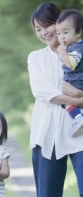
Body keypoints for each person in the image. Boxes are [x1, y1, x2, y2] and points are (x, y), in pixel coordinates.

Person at [27, 2, 83, 197]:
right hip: (46, 133)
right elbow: (43, 92)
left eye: (47, 25)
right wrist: (80, 100)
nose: (44, 32)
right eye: (38, 29)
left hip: (79, 132)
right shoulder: (36, 58)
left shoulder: (79, 51)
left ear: (60, 24)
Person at [56, 9, 83, 137]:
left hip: (77, 83)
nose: (61, 37)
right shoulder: (73, 47)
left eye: (65, 32)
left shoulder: (78, 48)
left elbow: (71, 64)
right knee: (67, 103)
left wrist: (62, 52)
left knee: (67, 101)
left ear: (78, 32)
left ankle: (78, 117)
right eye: (59, 33)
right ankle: (78, 117)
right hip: (75, 83)